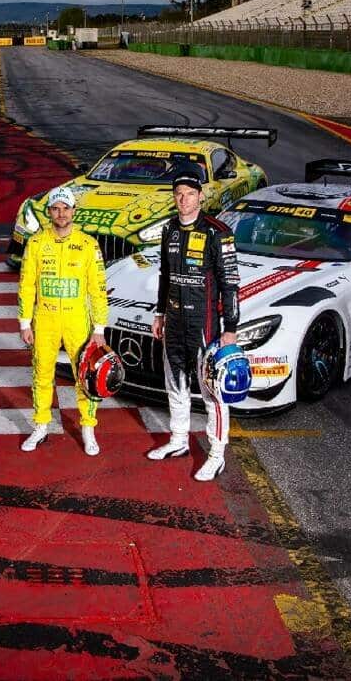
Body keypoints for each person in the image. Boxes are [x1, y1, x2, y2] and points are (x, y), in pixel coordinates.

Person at [148, 165, 240, 481]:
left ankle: (216, 455)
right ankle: (178, 440)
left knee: (212, 391)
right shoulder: (169, 230)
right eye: (179, 194)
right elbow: (165, 276)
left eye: (189, 194)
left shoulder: (218, 232)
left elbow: (230, 284)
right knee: (175, 384)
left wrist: (231, 328)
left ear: (200, 196)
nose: (184, 199)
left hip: (205, 326)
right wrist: (160, 314)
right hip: (174, 322)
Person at [18, 188, 108, 455]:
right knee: (42, 373)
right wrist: (25, 323)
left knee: (85, 375)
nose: (61, 213)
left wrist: (99, 328)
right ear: (49, 212)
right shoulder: (36, 242)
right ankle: (41, 425)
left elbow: (98, 289)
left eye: (65, 208)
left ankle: (88, 427)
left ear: (73, 211)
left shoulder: (88, 244)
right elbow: (26, 285)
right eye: (56, 209)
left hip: (77, 319)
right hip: (44, 319)